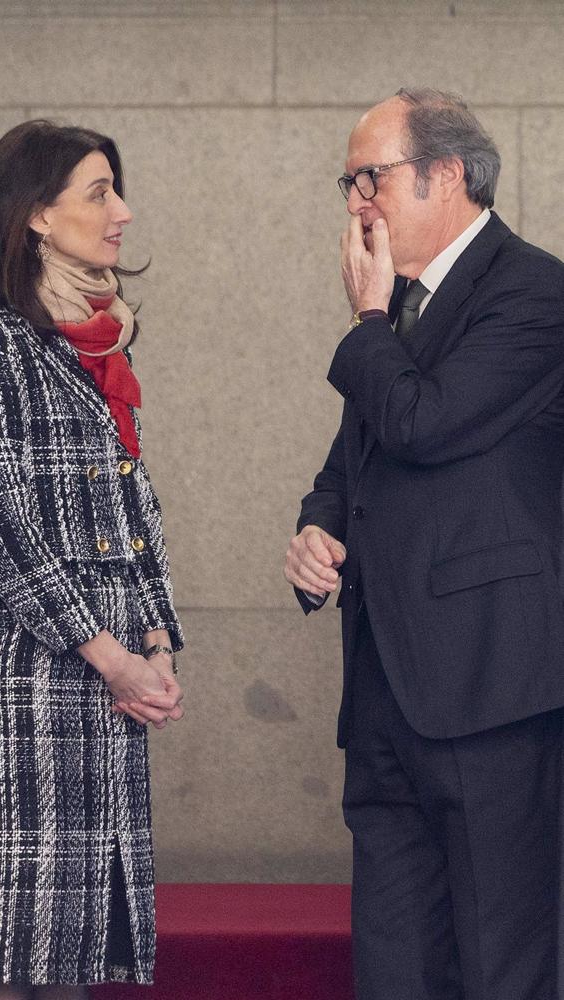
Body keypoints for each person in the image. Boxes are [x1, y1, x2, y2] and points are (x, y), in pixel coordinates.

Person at [284, 88, 564, 1000]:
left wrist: (367, 321)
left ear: (445, 175)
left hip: (489, 689)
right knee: (393, 960)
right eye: (349, 183)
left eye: (371, 177)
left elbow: (423, 424)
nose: (357, 201)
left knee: (499, 959)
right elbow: (351, 462)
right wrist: (317, 526)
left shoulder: (534, 291)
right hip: (383, 688)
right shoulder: (402, 306)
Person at [0, 120, 185, 999]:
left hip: (109, 677)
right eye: (98, 192)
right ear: (36, 213)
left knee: (75, 957)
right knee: (16, 953)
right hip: (27, 675)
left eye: (117, 190)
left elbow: (133, 506)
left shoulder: (100, 338)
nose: (123, 212)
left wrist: (156, 644)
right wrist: (113, 659)